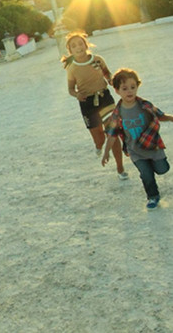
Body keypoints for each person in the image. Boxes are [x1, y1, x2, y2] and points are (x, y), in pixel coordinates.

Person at [102, 68, 173, 209]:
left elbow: (159, 115)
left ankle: (153, 166)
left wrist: (171, 118)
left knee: (162, 169)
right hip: (135, 151)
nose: (129, 91)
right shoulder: (118, 113)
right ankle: (153, 197)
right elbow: (112, 134)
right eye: (125, 88)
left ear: (137, 87)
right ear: (117, 91)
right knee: (146, 174)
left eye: (133, 87)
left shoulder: (144, 105)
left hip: (153, 147)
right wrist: (106, 152)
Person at [61, 31, 128, 180]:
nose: (78, 47)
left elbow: (107, 74)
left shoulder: (97, 59)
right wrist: (77, 94)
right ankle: (99, 145)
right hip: (87, 103)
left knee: (112, 133)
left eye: (80, 43)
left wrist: (112, 81)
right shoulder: (71, 67)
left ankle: (120, 168)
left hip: (104, 98)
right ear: (70, 51)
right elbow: (71, 89)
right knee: (100, 139)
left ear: (86, 45)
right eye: (74, 46)